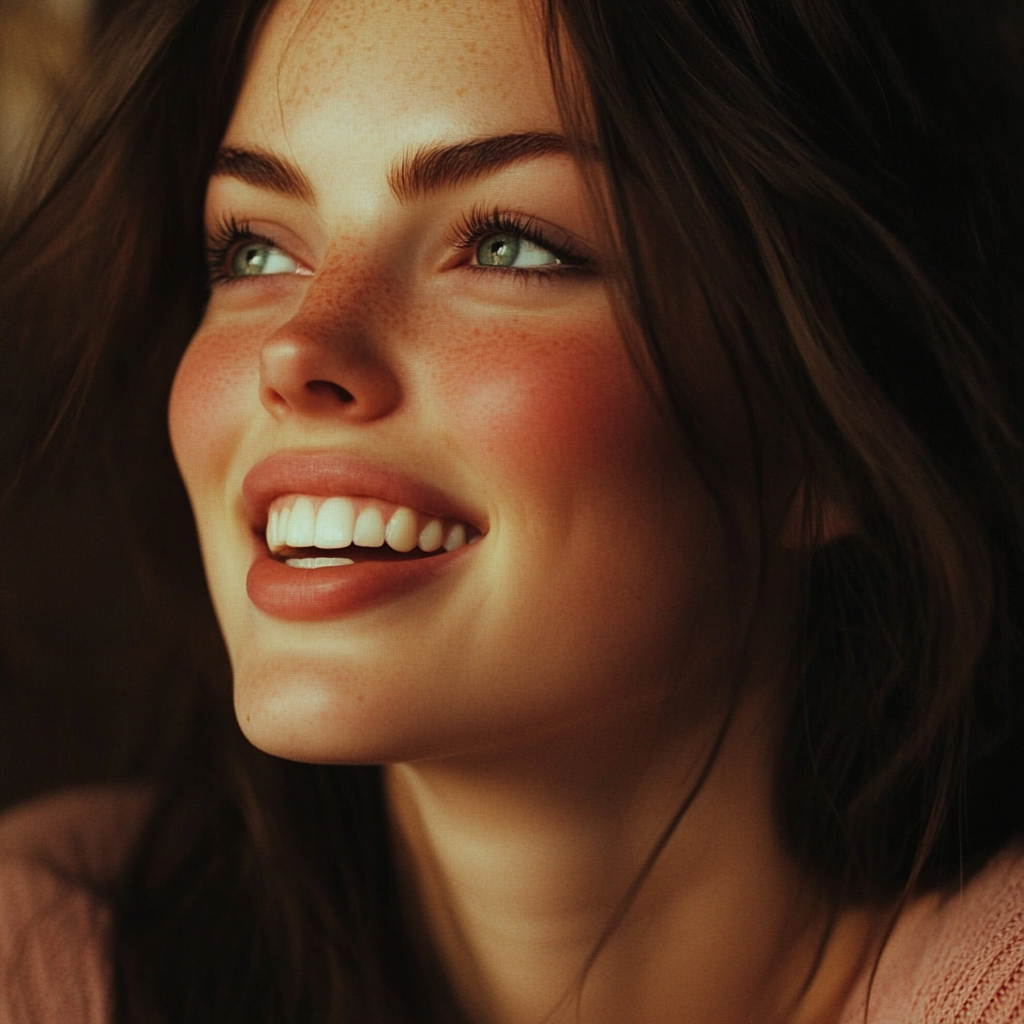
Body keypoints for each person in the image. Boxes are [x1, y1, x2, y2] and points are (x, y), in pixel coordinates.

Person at [1, 0, 1024, 1021]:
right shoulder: (48, 961)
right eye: (256, 249)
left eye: (507, 246)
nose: (297, 351)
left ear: (827, 434)